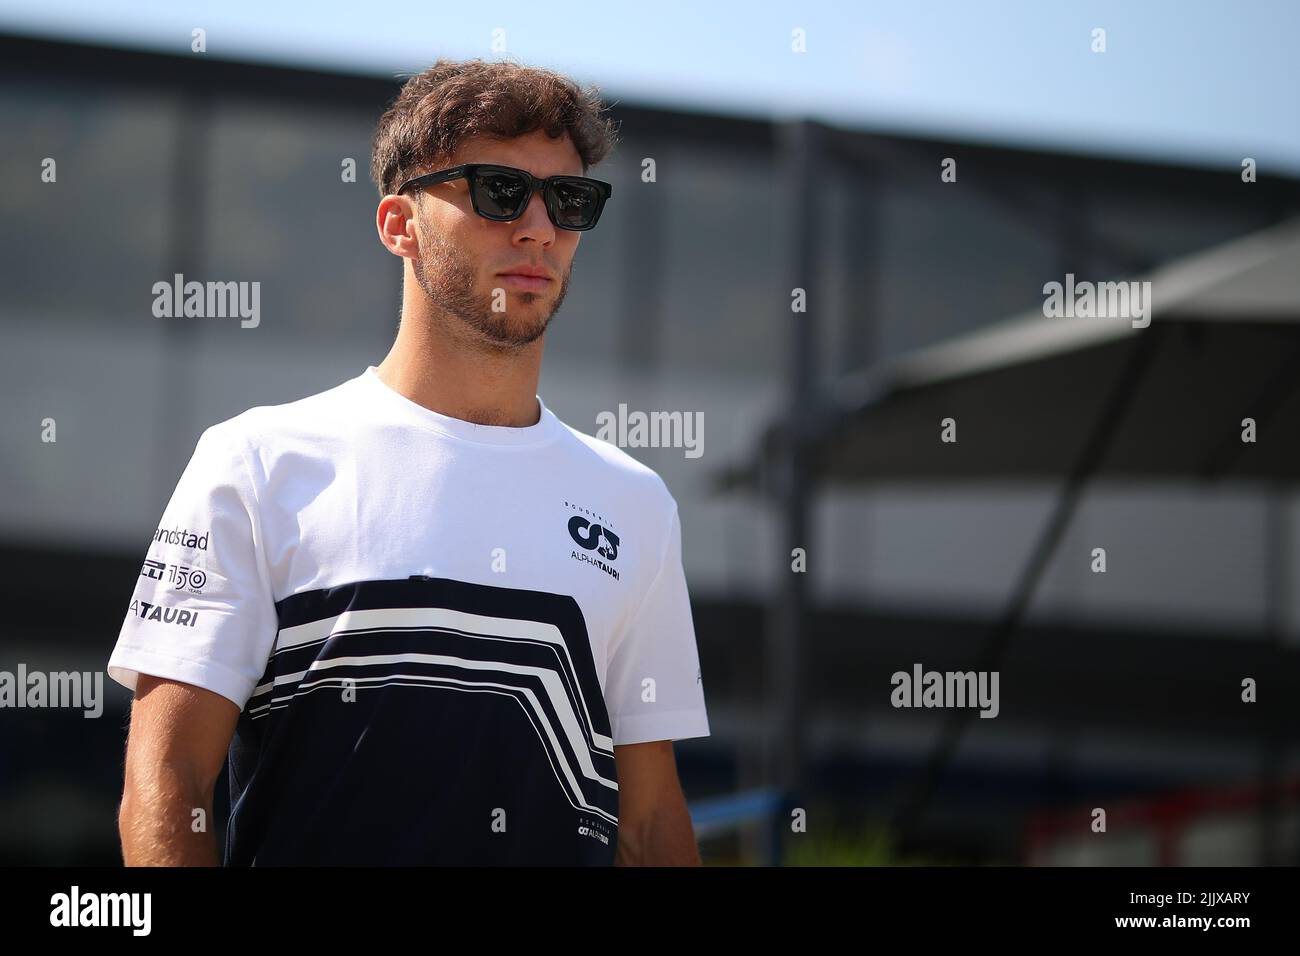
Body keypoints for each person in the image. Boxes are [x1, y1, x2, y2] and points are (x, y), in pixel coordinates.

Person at [109, 58, 709, 866]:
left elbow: (650, 825)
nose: (538, 228)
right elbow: (169, 779)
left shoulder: (635, 504)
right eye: (500, 191)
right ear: (399, 224)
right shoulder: (254, 464)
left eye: (569, 202)